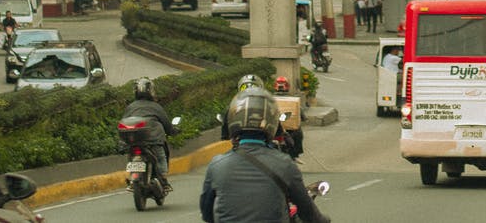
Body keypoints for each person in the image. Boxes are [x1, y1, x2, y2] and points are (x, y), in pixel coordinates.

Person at [200, 90, 330, 223]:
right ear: (272, 122)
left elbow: (207, 214)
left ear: (232, 121)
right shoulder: (285, 164)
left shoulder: (217, 165)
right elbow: (307, 212)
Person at [121, 77, 179, 192]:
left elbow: (123, 123)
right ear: (151, 91)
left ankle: (133, 180)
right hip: (154, 141)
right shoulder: (156, 107)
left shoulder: (130, 107)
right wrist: (173, 131)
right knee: (161, 157)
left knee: (131, 156)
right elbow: (166, 123)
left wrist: (122, 143)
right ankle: (163, 181)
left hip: (133, 142)